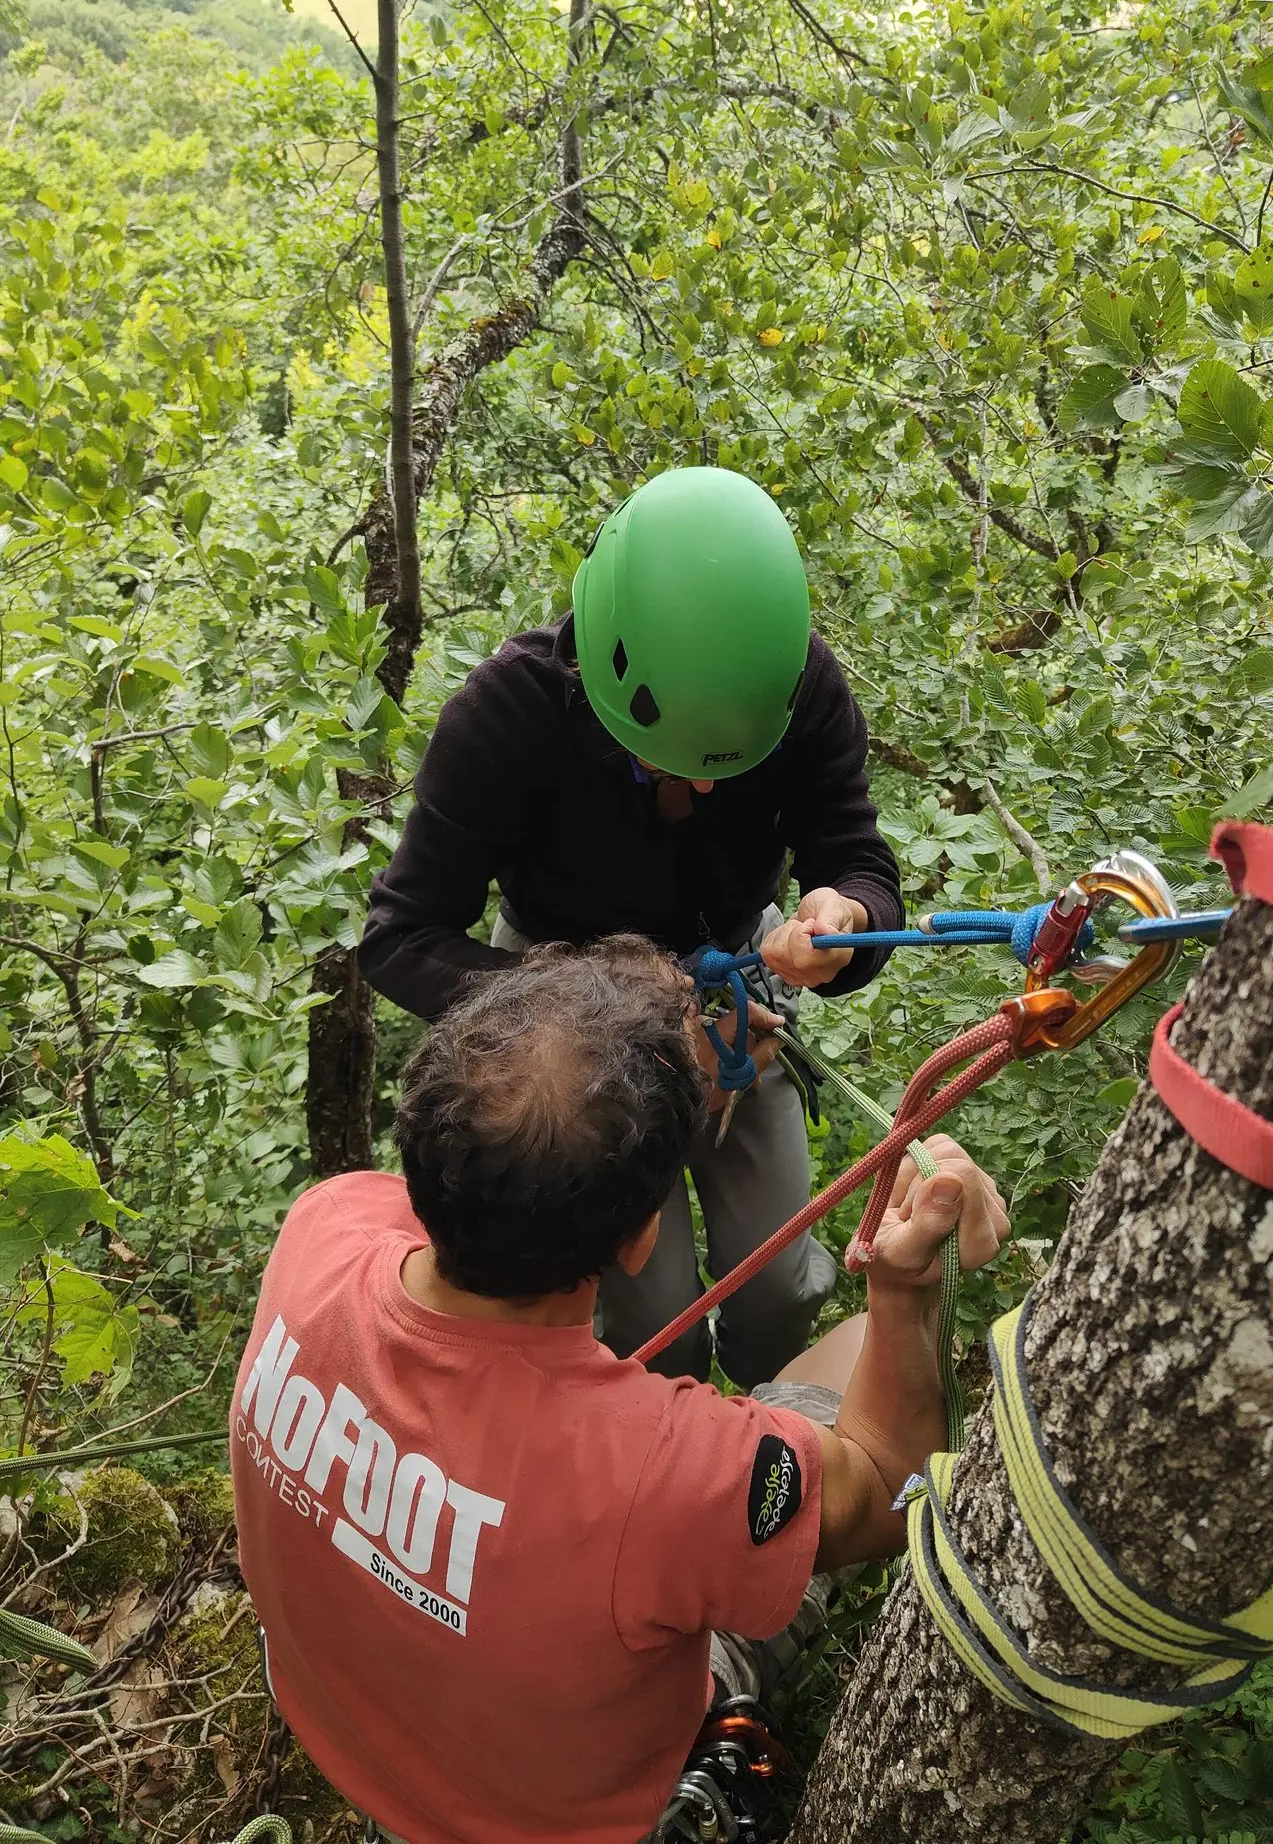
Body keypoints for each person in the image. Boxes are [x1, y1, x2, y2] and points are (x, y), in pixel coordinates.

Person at [232, 938, 1009, 1844]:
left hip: (361, 1746)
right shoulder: (670, 1476)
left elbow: (510, 1154)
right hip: (560, 1819)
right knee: (826, 1382)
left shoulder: (324, 1230)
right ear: (643, 1239)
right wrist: (907, 1287)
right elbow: (882, 1481)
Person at [358, 465, 903, 1387]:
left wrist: (845, 916)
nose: (705, 792)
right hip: (558, 1006)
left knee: (777, 1284)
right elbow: (399, 939)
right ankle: (661, 1446)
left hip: (739, 983)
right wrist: (620, 1013)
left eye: (728, 765)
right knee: (650, 1319)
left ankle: (773, 1437)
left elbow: (855, 857)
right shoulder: (508, 716)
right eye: (673, 760)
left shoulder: (794, 684)